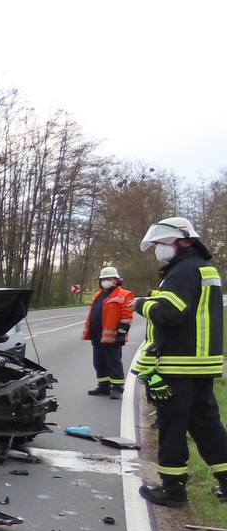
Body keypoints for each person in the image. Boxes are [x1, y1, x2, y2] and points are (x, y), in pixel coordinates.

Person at [133, 217, 227, 508]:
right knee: (207, 425)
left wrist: (141, 303)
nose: (159, 250)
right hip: (202, 364)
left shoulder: (183, 271)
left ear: (184, 241)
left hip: (178, 364)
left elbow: (170, 313)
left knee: (172, 426)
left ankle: (172, 490)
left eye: (162, 244)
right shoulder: (203, 269)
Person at [81, 266, 134, 399]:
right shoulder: (99, 294)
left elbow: (127, 315)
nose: (105, 281)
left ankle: (117, 388)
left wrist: (121, 333)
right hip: (97, 334)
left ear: (116, 280)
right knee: (98, 361)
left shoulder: (124, 294)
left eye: (108, 279)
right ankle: (103, 386)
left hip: (113, 335)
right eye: (103, 279)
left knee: (113, 362)